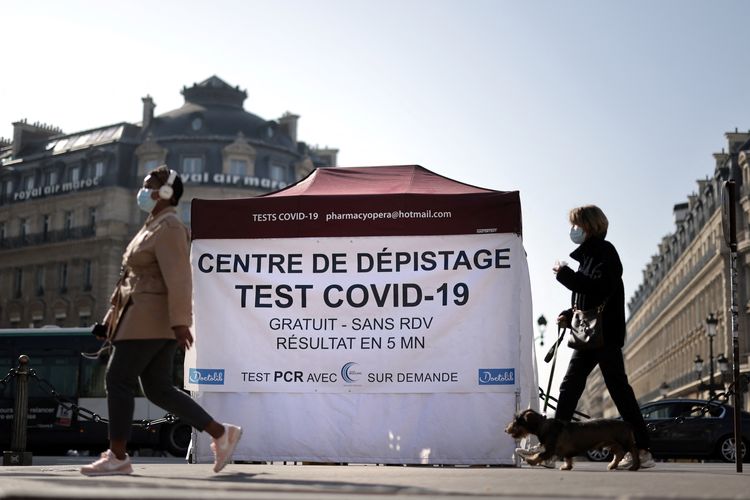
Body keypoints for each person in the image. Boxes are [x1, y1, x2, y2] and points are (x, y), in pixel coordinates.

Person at [81, 165, 242, 476]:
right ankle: (221, 433)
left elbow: (180, 278)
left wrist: (181, 322)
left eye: (149, 185)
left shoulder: (169, 228)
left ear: (166, 192)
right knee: (158, 389)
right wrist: (109, 322)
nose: (143, 191)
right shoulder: (151, 226)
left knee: (118, 379)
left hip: (150, 319)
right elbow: (128, 281)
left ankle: (117, 456)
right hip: (139, 317)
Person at [550, 204, 654, 469]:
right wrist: (567, 313)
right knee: (570, 386)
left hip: (604, 334)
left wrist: (565, 275)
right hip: (587, 334)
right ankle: (552, 446)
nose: (572, 230)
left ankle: (642, 448)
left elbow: (598, 289)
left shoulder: (606, 253)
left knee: (619, 391)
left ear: (589, 226)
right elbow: (586, 298)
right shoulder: (588, 258)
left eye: (576, 225)